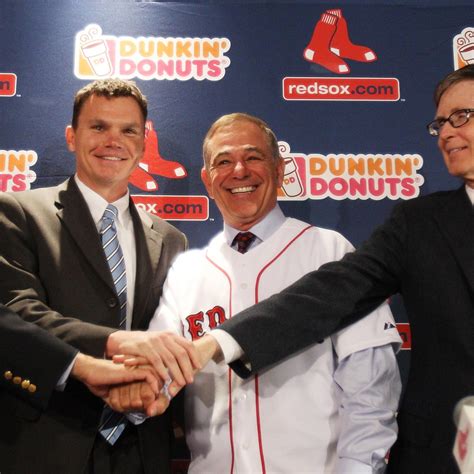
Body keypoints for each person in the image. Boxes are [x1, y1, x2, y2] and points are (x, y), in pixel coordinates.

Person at [191, 66, 474, 473]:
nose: (446, 133)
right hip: (446, 457)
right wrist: (219, 342)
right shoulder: (418, 224)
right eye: (440, 123)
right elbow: (324, 296)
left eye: (461, 116)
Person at [114, 113, 402, 473]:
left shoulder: (328, 251)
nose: (239, 171)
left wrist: (357, 468)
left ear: (279, 170)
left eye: (253, 157)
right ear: (207, 180)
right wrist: (138, 391)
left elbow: (371, 384)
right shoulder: (187, 272)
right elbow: (156, 374)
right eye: (223, 161)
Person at [0, 78, 194, 474]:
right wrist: (113, 341)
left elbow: (173, 336)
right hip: (47, 442)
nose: (113, 141)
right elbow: (16, 313)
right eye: (99, 126)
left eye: (128, 130)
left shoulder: (172, 240)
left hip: (142, 447)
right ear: (72, 137)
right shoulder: (18, 213)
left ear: (143, 143)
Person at [0, 303, 160, 411]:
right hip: (45, 422)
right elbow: (16, 306)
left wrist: (159, 385)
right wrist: (85, 362)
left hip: (143, 439)